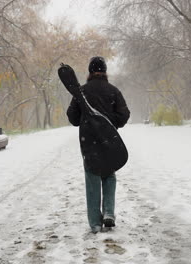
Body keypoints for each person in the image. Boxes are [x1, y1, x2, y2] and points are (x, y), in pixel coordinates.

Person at [66, 56, 130, 233]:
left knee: (92, 176)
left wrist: (87, 118)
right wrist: (109, 123)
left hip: (89, 142)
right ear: (105, 71)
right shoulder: (113, 91)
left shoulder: (82, 92)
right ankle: (109, 212)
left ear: (89, 72)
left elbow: (72, 118)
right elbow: (124, 115)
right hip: (109, 139)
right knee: (109, 174)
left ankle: (95, 222)